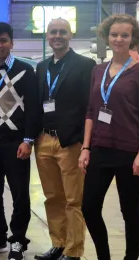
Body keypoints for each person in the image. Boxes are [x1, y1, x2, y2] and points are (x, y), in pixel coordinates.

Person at [79, 14, 139, 260]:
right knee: (89, 207)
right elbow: (91, 112)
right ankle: (104, 257)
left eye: (124, 35)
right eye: (114, 35)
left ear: (133, 39)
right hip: (100, 148)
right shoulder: (98, 70)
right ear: (106, 37)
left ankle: (130, 258)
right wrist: (86, 148)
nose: (119, 39)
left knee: (130, 210)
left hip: (128, 151)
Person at [33, 19, 96, 260]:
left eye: (62, 32)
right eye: (53, 32)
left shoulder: (85, 65)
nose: (57, 36)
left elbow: (89, 106)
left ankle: (73, 251)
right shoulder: (41, 67)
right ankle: (58, 244)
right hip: (44, 141)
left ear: (71, 35)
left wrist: (83, 142)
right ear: (47, 36)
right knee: (52, 198)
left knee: (73, 200)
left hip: (70, 142)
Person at [0, 22, 40, 260]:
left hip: (16, 143)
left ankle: (18, 241)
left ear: (11, 43)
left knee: (19, 194)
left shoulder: (25, 70)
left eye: (3, 40)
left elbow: (33, 107)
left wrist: (28, 140)